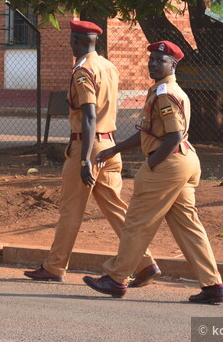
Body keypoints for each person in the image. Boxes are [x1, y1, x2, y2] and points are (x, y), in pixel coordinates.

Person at [83, 41, 223, 304]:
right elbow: (148, 132)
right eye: (151, 59)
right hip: (183, 161)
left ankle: (116, 278)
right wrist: (114, 150)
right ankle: (213, 285)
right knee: (188, 227)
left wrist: (152, 164)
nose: (153, 63)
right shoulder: (166, 90)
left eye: (160, 60)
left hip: (168, 162)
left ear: (173, 65)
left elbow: (172, 135)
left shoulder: (164, 93)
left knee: (137, 221)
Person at [24, 20, 159, 286]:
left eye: (71, 39)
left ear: (76, 41)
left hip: (88, 145)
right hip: (110, 144)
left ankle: (54, 266)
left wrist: (84, 158)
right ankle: (144, 261)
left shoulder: (83, 71)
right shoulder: (108, 66)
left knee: (70, 210)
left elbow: (89, 116)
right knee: (116, 208)